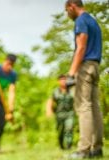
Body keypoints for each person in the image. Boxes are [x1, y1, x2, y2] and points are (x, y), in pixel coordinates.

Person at [65, 0, 104, 158]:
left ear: (72, 6)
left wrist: (71, 73)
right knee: (95, 107)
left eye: (67, 11)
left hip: (85, 66)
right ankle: (97, 148)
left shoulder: (81, 20)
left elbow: (81, 47)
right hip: (95, 66)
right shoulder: (92, 21)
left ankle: (84, 149)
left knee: (84, 107)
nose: (67, 15)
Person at [46, 75, 74, 150]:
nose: (63, 81)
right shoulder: (55, 91)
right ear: (58, 81)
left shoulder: (71, 90)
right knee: (60, 131)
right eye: (61, 80)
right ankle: (61, 145)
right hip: (59, 114)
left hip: (69, 113)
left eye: (65, 79)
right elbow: (50, 101)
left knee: (69, 128)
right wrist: (49, 111)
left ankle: (69, 146)